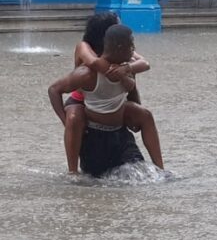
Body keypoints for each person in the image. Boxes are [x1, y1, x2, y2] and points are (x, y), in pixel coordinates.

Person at [49, 24, 164, 177]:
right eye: (131, 45)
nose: (134, 49)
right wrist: (64, 121)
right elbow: (53, 90)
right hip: (92, 121)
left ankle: (161, 169)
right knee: (74, 117)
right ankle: (72, 172)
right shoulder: (87, 72)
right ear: (119, 46)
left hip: (118, 124)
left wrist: (125, 72)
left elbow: (138, 75)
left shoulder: (127, 65)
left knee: (146, 115)